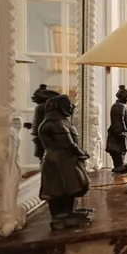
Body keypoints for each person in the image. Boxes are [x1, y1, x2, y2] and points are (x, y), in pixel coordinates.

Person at [38, 94, 93, 229]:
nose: (70, 107)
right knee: (60, 188)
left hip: (65, 159)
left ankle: (69, 212)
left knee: (71, 187)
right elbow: (67, 143)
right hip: (59, 160)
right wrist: (81, 153)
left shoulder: (59, 120)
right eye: (67, 104)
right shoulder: (55, 122)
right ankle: (59, 216)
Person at [106, 85, 127, 173]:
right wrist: (122, 132)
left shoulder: (122, 106)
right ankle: (119, 166)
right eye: (126, 95)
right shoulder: (118, 107)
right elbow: (117, 122)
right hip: (118, 135)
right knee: (118, 151)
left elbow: (124, 119)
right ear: (120, 96)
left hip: (122, 134)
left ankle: (121, 166)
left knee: (122, 151)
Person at [24, 84, 60, 161]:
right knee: (44, 156)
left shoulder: (41, 107)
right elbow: (40, 121)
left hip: (41, 136)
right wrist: (31, 125)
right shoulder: (46, 107)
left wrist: (35, 130)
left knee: (43, 156)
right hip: (43, 135)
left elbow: (41, 122)